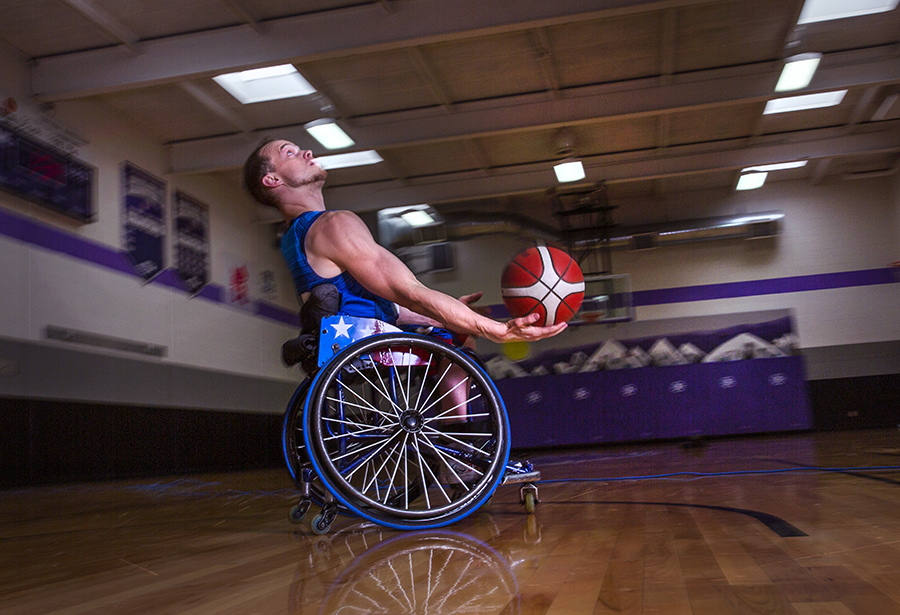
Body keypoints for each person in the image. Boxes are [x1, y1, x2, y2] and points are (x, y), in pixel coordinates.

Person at [243, 138, 564, 477]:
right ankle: (461, 458)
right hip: (361, 342)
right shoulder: (333, 224)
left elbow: (383, 307)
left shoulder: (296, 237)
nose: (307, 152)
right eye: (289, 153)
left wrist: (452, 312)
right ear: (272, 180)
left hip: (342, 340)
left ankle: (456, 456)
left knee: (455, 326)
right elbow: (408, 292)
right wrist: (496, 329)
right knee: (458, 338)